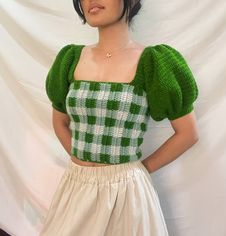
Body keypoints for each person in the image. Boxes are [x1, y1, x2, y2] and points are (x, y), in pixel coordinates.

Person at [40, 0, 199, 235]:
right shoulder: (70, 59)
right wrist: (80, 159)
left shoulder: (154, 63)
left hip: (127, 194)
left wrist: (138, 171)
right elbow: (59, 121)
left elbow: (188, 133)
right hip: (76, 187)